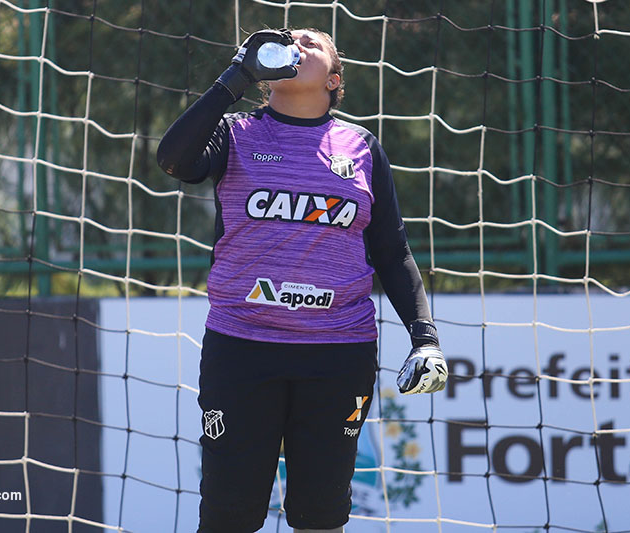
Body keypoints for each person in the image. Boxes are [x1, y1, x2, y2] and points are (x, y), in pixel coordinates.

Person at [157, 27, 448, 533]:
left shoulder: (360, 147)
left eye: (311, 43)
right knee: (229, 515)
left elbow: (391, 250)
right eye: (287, 38)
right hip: (241, 346)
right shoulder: (236, 131)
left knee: (320, 516)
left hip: (339, 353)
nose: (295, 43)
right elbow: (173, 159)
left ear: (334, 80)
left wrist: (425, 338)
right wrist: (235, 77)